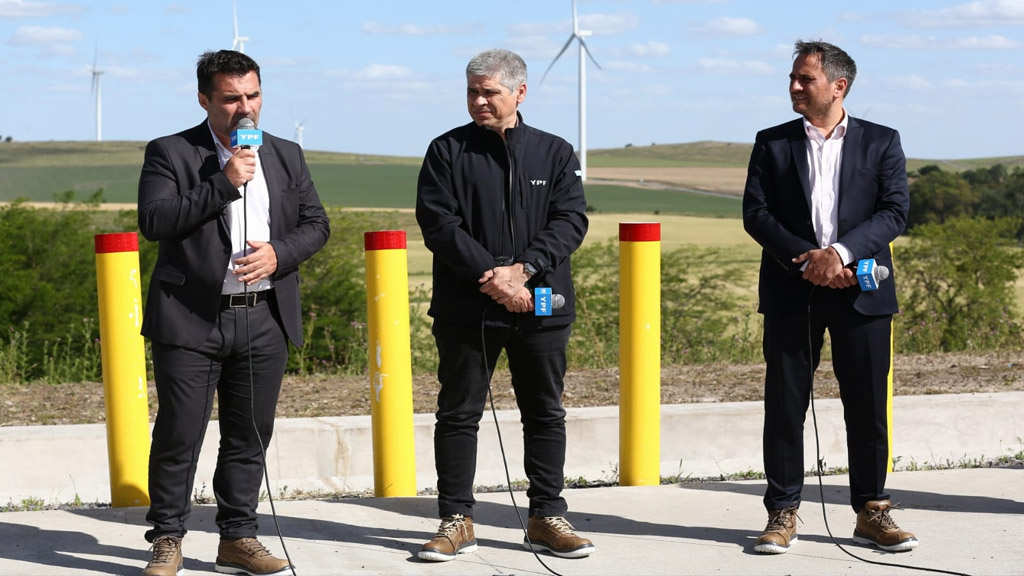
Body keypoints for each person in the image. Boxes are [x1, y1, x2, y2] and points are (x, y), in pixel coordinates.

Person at [137, 49, 330, 576]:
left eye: (253, 96)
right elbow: (155, 220)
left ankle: (237, 538)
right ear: (205, 100)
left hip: (264, 315)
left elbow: (316, 224)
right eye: (231, 99)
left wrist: (279, 254)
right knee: (180, 432)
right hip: (191, 317)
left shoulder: (286, 153)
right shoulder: (171, 152)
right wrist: (224, 181)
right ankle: (168, 538)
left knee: (249, 433)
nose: (245, 109)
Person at [414, 48, 594, 563]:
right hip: (467, 309)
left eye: (489, 91)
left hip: (541, 303)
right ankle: (456, 519)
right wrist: (492, 276)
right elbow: (439, 224)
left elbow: (570, 221)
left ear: (520, 92)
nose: (478, 101)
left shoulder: (555, 152)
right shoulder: (446, 151)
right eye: (472, 91)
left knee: (544, 412)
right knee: (457, 414)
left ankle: (546, 517)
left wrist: (524, 271)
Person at [742, 40, 917, 555]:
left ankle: (873, 510)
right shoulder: (771, 143)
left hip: (862, 291)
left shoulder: (882, 142)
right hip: (791, 290)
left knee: (866, 405)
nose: (794, 86)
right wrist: (809, 260)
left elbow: (893, 212)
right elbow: (757, 215)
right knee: (785, 404)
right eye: (793, 78)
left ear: (839, 86)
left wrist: (839, 254)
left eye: (805, 79)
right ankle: (782, 511)